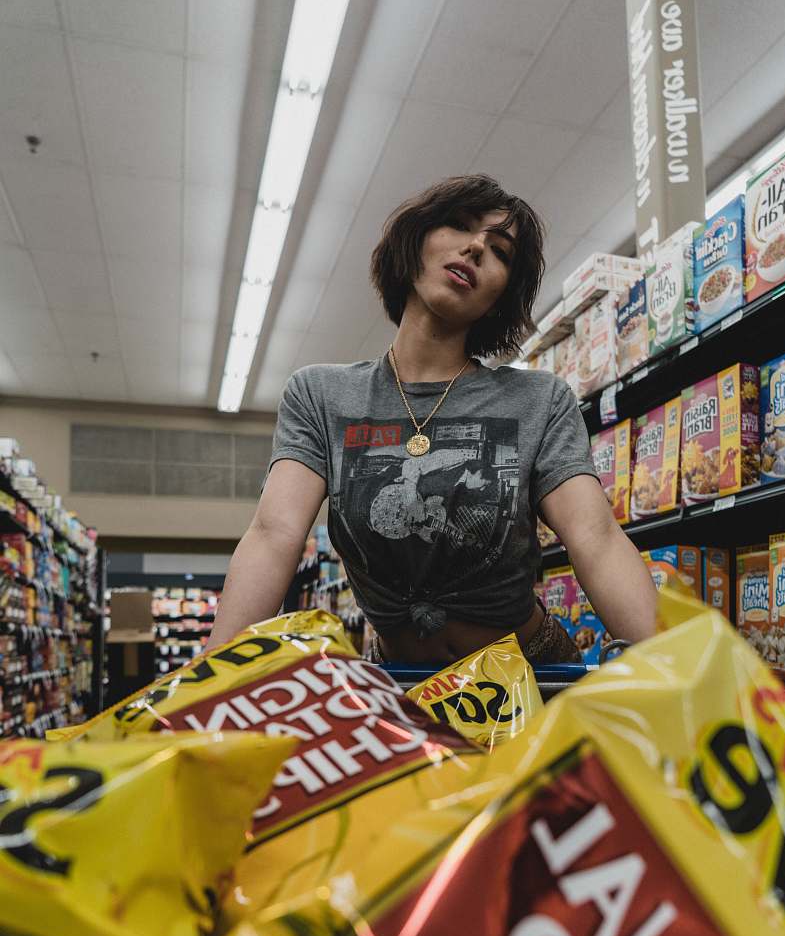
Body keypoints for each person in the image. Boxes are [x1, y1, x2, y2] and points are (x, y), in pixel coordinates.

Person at [206, 174, 656, 663]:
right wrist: (208, 680)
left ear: (503, 294)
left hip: (532, 680)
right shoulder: (320, 395)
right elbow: (274, 536)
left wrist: (677, 676)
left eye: (501, 251)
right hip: (401, 692)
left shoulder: (540, 400)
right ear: (415, 239)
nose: (476, 247)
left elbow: (596, 539)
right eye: (459, 225)